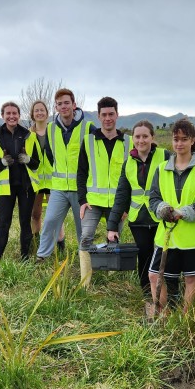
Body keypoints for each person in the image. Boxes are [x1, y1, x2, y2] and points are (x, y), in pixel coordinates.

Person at [148, 118, 195, 312]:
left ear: (192, 140)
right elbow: (153, 197)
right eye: (176, 139)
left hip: (193, 238)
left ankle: (187, 319)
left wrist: (184, 213)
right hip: (167, 236)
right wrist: (162, 209)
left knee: (191, 279)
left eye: (184, 139)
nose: (179, 144)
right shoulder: (161, 169)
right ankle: (164, 315)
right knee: (154, 276)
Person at [107, 120, 170, 315]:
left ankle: (168, 291)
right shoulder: (128, 163)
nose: (141, 140)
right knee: (144, 254)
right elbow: (122, 194)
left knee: (163, 255)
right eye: (137, 136)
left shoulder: (166, 156)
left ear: (152, 137)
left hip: (161, 216)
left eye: (145, 136)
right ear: (132, 139)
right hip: (138, 218)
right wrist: (112, 225)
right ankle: (147, 292)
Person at [77, 96, 132, 286]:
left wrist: (126, 206)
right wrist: (82, 200)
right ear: (99, 116)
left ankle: (111, 279)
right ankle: (85, 282)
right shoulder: (88, 141)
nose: (108, 118)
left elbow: (132, 177)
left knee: (113, 239)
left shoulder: (128, 142)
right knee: (86, 237)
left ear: (117, 114)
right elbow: (81, 172)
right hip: (93, 201)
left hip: (118, 203)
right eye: (104, 115)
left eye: (111, 114)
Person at [35, 88, 94, 261]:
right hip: (59, 189)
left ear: (74, 105)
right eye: (59, 104)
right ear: (56, 107)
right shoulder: (51, 128)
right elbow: (51, 155)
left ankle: (86, 260)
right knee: (50, 222)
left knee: (83, 227)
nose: (63, 106)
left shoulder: (88, 128)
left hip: (81, 189)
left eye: (67, 103)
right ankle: (42, 256)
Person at [0, 101, 40, 265]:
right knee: (4, 223)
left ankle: (25, 258)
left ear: (19, 115)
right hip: (6, 188)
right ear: (2, 115)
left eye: (14, 113)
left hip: (26, 187)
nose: (11, 116)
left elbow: (36, 163)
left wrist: (28, 159)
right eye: (8, 113)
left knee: (25, 222)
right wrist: (2, 162)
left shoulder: (29, 136)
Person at [25, 100, 63, 254]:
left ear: (47, 113)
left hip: (54, 180)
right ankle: (37, 241)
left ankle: (60, 245)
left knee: (55, 215)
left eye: (42, 110)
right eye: (36, 111)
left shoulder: (55, 131)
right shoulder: (28, 135)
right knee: (35, 214)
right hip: (36, 181)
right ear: (33, 115)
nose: (39, 113)